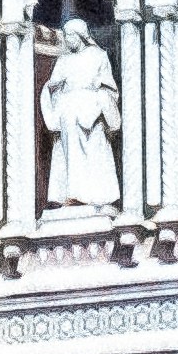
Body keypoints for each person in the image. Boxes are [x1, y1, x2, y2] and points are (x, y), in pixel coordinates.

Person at [41, 22, 123, 213]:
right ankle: (71, 194)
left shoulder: (98, 56)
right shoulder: (63, 61)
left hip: (91, 114)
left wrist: (96, 100)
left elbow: (109, 89)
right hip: (67, 113)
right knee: (68, 154)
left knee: (94, 153)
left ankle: (97, 197)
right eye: (66, 35)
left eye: (70, 35)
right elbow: (53, 86)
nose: (68, 40)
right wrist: (52, 92)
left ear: (81, 35)